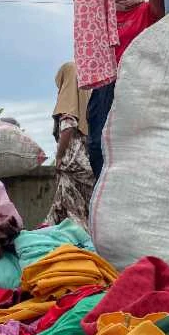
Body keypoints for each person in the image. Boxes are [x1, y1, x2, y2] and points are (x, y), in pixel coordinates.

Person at [69, 0, 166, 179]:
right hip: (104, 95)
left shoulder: (148, 12)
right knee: (103, 162)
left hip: (142, 90)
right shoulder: (96, 14)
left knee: (141, 160)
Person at [44, 61, 95, 227]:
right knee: (85, 213)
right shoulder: (88, 102)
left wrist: (59, 157)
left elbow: (68, 126)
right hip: (87, 165)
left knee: (74, 218)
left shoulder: (69, 102)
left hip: (72, 165)